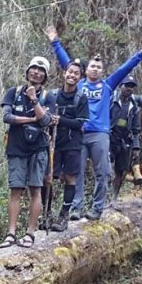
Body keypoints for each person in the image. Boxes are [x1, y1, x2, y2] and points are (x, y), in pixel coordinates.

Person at [45, 26, 142, 220]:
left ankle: (97, 208)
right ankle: (76, 208)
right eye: (92, 67)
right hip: (79, 133)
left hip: (100, 134)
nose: (95, 69)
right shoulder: (79, 84)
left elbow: (125, 68)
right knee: (76, 172)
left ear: (102, 71)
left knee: (102, 171)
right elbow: (66, 63)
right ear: (85, 70)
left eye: (99, 68)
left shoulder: (108, 85)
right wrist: (55, 41)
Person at [0, 56, 53, 248]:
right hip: (16, 146)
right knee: (15, 190)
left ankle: (30, 233)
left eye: (40, 70)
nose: (36, 72)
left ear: (45, 76)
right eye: (33, 68)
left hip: (38, 148)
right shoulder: (13, 92)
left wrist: (34, 99)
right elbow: (7, 117)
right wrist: (30, 120)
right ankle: (11, 233)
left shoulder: (48, 96)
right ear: (28, 71)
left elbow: (46, 121)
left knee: (35, 189)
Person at [47, 59, 89, 231]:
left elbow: (80, 123)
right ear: (64, 73)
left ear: (80, 77)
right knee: (48, 178)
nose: (72, 75)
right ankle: (46, 213)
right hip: (54, 143)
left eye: (76, 73)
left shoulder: (81, 98)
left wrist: (61, 120)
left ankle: (64, 215)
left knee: (70, 178)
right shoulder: (53, 95)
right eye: (70, 72)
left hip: (73, 144)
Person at [110, 75, 142, 204]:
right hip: (110, 138)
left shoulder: (134, 107)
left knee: (121, 172)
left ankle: (113, 198)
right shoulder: (111, 100)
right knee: (106, 169)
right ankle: (100, 199)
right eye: (127, 85)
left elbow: (136, 128)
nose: (129, 89)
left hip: (125, 142)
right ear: (120, 86)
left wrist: (136, 147)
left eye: (132, 87)